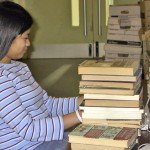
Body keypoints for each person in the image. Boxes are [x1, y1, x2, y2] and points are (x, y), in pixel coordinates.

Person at [0, 1, 83, 150]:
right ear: (6, 36)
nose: (29, 44)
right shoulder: (1, 79)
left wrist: (83, 101)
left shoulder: (20, 67)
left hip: (45, 139)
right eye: (25, 37)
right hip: (28, 146)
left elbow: (47, 104)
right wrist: (80, 115)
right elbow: (29, 130)